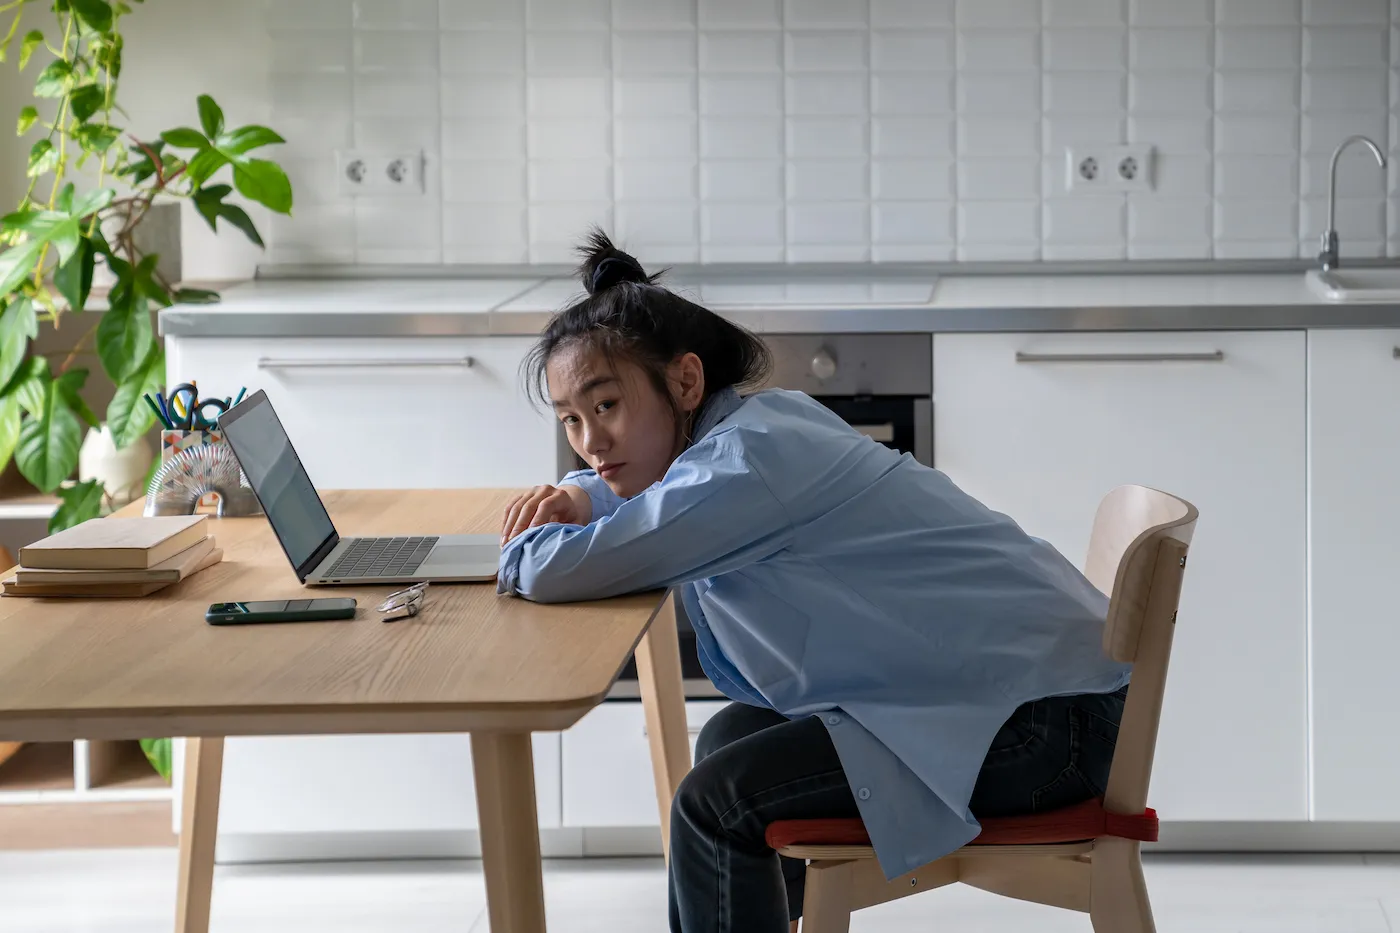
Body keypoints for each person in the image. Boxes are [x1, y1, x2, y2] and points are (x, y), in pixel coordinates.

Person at [498, 230, 1131, 933]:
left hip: (1053, 727)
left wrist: (527, 539)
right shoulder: (755, 431)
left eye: (606, 406)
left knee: (717, 801)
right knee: (728, 742)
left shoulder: (745, 467)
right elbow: (660, 501)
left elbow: (569, 566)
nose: (590, 441)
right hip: (1027, 693)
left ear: (685, 381)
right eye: (571, 421)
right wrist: (587, 497)